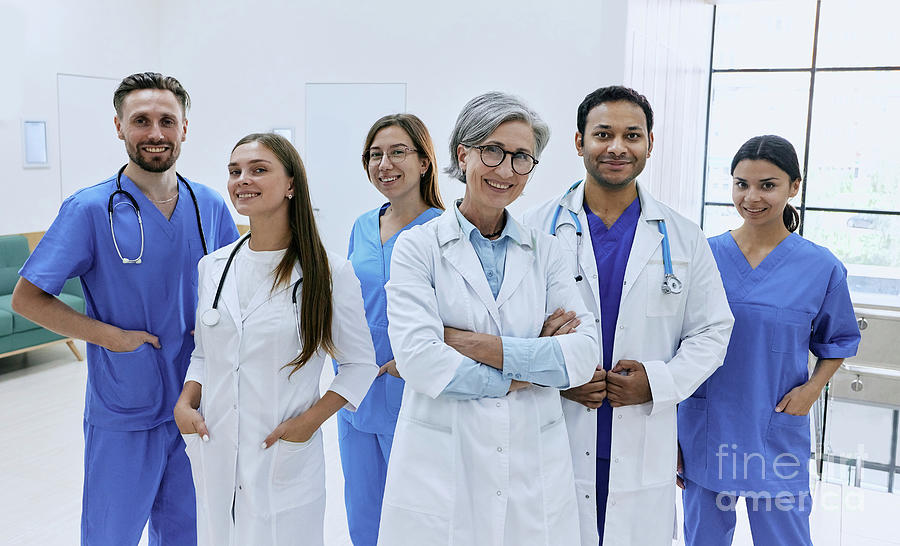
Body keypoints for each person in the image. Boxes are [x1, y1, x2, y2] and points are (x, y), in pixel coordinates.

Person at [11, 72, 238, 545]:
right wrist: (110, 338)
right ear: (119, 127)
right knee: (110, 533)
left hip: (198, 400)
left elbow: (234, 286)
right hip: (125, 403)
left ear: (184, 128)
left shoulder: (209, 205)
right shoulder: (90, 210)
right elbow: (27, 298)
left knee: (188, 530)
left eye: (166, 121)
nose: (155, 133)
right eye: (141, 121)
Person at [377, 92, 600, 545]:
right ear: (464, 154)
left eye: (522, 158)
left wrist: (471, 344)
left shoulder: (547, 251)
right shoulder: (417, 248)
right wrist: (530, 366)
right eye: (493, 151)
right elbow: (420, 360)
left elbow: (581, 356)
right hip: (442, 460)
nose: (505, 170)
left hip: (530, 463)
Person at [522, 85, 734, 545]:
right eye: (603, 134)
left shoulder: (682, 237)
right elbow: (510, 331)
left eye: (632, 135)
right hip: (557, 424)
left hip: (641, 436)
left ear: (650, 144)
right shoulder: (533, 229)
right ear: (579, 143)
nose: (617, 147)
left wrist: (657, 382)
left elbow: (713, 331)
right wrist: (558, 373)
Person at [172, 133, 377, 545]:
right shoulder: (213, 266)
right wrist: (184, 401)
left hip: (282, 451)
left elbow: (359, 365)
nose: (242, 179)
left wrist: (306, 424)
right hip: (214, 443)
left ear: (290, 185)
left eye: (258, 169)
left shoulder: (329, 272)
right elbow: (204, 353)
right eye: (235, 171)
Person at [677, 135, 860, 546]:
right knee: (702, 539)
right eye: (741, 184)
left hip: (775, 428)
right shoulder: (703, 257)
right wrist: (669, 435)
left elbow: (840, 341)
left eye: (767, 185)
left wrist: (812, 390)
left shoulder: (820, 266)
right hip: (707, 428)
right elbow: (677, 345)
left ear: (794, 186)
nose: (752, 196)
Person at [337, 113, 444, 546]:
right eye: (375, 154)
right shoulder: (363, 225)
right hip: (357, 392)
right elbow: (348, 301)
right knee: (363, 516)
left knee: (417, 521)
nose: (385, 163)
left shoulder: (445, 230)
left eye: (398, 152)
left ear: (424, 162)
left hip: (415, 393)